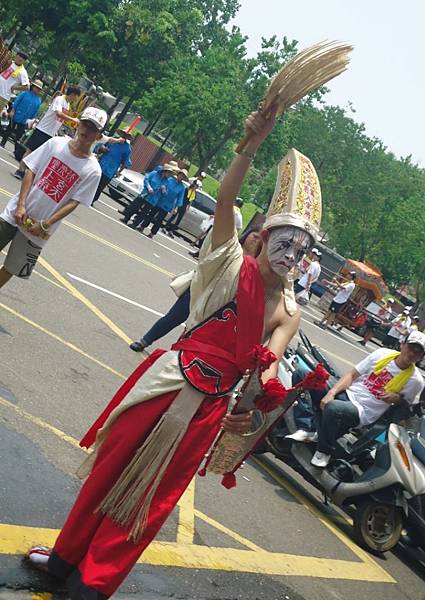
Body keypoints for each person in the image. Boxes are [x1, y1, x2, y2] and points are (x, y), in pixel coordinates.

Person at [25, 108, 323, 599]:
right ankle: (63, 559)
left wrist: (252, 405)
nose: (293, 254)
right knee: (110, 470)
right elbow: (226, 199)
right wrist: (249, 145)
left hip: (207, 410)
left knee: (151, 499)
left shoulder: (288, 309)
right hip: (167, 379)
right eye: (287, 241)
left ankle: (92, 586)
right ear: (264, 238)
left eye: (303, 250)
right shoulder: (230, 260)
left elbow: (266, 366)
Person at [0, 107, 106, 289]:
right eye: (85, 124)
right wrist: (21, 205)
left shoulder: (93, 170)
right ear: (77, 123)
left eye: (93, 128)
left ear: (98, 135)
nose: (86, 130)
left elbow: (74, 203)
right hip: (16, 212)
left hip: (39, 228)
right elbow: (30, 170)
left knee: (12, 267)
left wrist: (45, 224)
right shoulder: (56, 144)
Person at [129, 227, 263, 352]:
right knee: (172, 318)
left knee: (196, 331)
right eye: (255, 236)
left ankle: (178, 357)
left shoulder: (256, 266)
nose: (255, 240)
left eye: (260, 240)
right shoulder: (231, 248)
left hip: (218, 302)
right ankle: (145, 341)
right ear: (247, 234)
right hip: (199, 289)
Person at [308, 330, 425, 468]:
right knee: (305, 375)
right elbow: (353, 374)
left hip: (363, 411)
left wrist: (397, 398)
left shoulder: (416, 381)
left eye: (418, 352)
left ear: (420, 358)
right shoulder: (382, 354)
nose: (412, 353)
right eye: (410, 347)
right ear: (402, 344)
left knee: (333, 408)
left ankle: (323, 451)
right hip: (348, 393)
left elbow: (404, 406)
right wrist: (332, 392)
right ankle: (307, 426)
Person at [13, 85, 81, 179]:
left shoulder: (67, 105)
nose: (77, 99)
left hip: (50, 134)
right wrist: (72, 119)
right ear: (73, 94)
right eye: (77, 96)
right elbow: (58, 113)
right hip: (42, 130)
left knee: (40, 156)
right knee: (30, 151)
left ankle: (28, 174)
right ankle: (20, 170)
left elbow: (59, 120)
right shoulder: (59, 99)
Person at [131, 167, 188, 238]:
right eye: (181, 175)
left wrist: (176, 208)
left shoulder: (182, 187)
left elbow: (180, 198)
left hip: (167, 205)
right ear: (178, 174)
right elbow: (161, 184)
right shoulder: (169, 180)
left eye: (183, 176)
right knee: (151, 214)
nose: (181, 177)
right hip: (159, 200)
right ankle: (142, 226)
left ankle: (152, 233)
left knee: (159, 219)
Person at [127, 163, 177, 231]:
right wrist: (149, 187)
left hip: (153, 199)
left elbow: (165, 194)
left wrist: (164, 190)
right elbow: (146, 179)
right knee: (135, 206)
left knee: (144, 213)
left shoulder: (167, 181)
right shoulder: (154, 173)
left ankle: (135, 224)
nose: (170, 175)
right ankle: (126, 218)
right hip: (145, 194)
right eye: (169, 173)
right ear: (165, 171)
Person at [92, 129, 133, 204]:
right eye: (123, 134)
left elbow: (125, 161)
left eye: (126, 135)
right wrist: (103, 148)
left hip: (110, 170)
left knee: (100, 187)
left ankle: (93, 199)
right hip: (100, 165)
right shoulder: (113, 139)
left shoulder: (127, 148)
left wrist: (119, 171)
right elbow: (99, 146)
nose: (124, 136)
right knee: (92, 182)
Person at [0, 79, 42, 149]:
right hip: (16, 114)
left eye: (39, 89)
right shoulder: (25, 93)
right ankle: (3, 142)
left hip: (25, 119)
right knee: (9, 129)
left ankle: (16, 150)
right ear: (33, 86)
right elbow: (17, 101)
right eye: (36, 87)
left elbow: (35, 111)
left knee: (19, 134)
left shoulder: (38, 100)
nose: (37, 89)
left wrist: (31, 120)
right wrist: (13, 110)